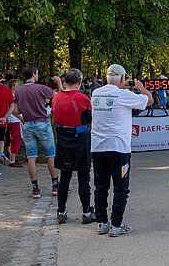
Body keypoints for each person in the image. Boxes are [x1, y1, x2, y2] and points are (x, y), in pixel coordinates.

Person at [91, 64, 153, 237]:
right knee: (121, 187)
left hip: (98, 147)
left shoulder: (96, 93)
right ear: (121, 78)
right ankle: (116, 225)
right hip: (119, 148)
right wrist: (141, 88)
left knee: (100, 186)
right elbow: (149, 101)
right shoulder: (124, 94)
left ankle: (102, 223)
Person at [52, 68, 96, 225]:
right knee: (84, 177)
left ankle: (61, 211)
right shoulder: (83, 99)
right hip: (80, 140)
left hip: (63, 139)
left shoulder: (56, 98)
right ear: (79, 81)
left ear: (65, 81)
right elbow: (91, 119)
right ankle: (86, 212)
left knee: (65, 177)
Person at [14, 66, 60, 198]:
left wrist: (22, 118)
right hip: (42, 123)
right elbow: (59, 96)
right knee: (50, 155)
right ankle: (55, 186)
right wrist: (59, 83)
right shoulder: (41, 88)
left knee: (31, 157)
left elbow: (16, 111)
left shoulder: (19, 90)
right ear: (34, 74)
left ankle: (35, 188)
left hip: (28, 124)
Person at [6, 78, 23, 167]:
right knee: (16, 139)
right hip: (14, 119)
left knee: (16, 139)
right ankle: (12, 159)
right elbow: (12, 109)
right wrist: (20, 117)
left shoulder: (13, 94)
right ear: (13, 86)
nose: (19, 86)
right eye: (17, 85)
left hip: (15, 119)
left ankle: (12, 157)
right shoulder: (11, 95)